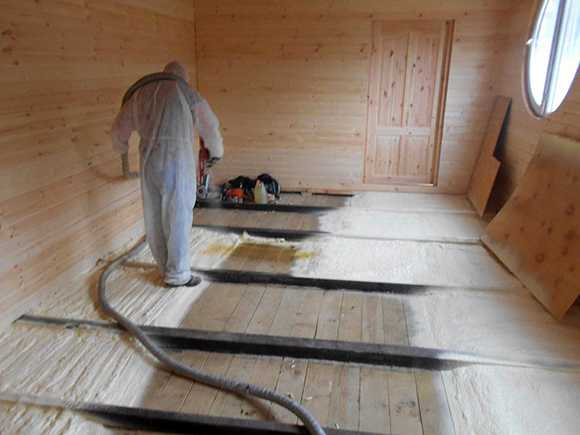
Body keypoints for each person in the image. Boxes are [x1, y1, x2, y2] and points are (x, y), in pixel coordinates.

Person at [111, 61, 223, 287]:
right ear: (183, 77)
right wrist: (216, 152)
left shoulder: (140, 93)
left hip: (149, 160)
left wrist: (121, 147)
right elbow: (209, 125)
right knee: (178, 214)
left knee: (154, 215)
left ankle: (164, 268)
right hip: (176, 159)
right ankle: (178, 274)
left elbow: (119, 128)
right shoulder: (185, 91)